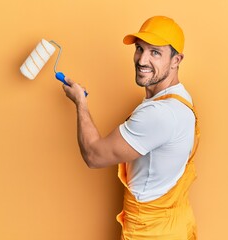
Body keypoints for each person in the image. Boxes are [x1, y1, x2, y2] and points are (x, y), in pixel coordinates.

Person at [62, 16, 199, 240]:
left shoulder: (159, 114)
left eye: (155, 52)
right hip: (175, 225)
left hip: (152, 233)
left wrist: (81, 104)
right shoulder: (180, 98)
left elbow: (94, 155)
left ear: (176, 60)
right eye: (139, 49)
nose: (142, 60)